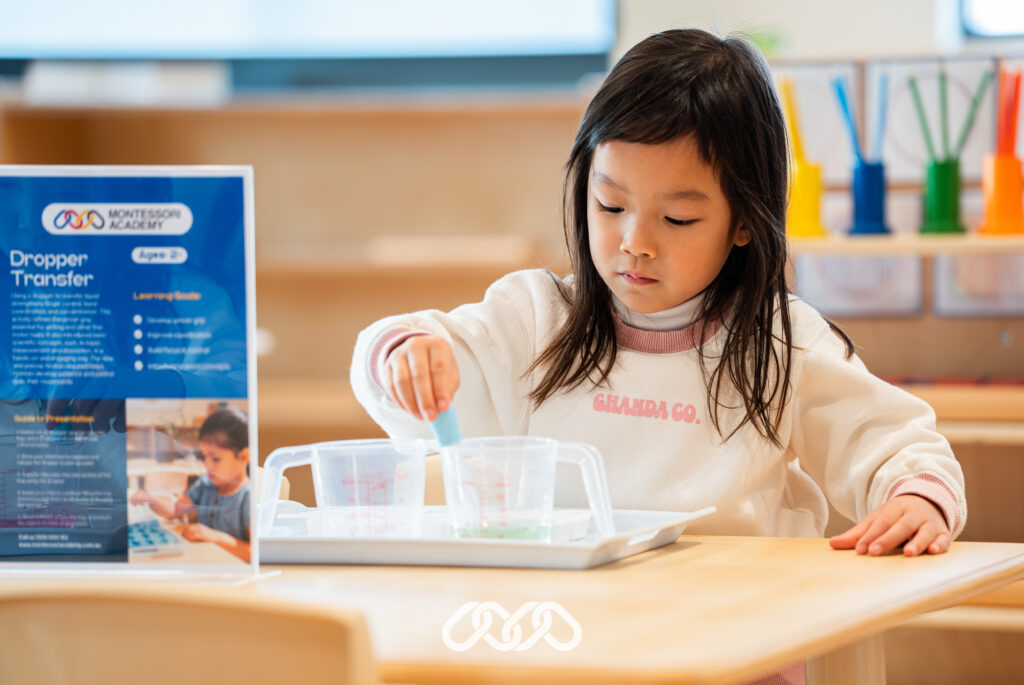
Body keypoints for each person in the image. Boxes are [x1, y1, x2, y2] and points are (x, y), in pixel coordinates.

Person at [350, 29, 965, 563]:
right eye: (611, 205)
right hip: (577, 637)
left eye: (677, 220)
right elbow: (411, 371)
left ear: (746, 221)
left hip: (742, 645)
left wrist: (915, 496)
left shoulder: (782, 342)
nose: (634, 242)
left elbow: (891, 441)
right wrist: (404, 355)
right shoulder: (537, 320)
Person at [131, 407, 251, 562]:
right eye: (204, 456)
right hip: (200, 564)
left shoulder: (247, 497)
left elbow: (254, 553)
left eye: (215, 459)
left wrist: (215, 537)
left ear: (243, 456)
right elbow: (175, 510)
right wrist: (151, 500)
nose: (207, 465)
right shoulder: (205, 485)